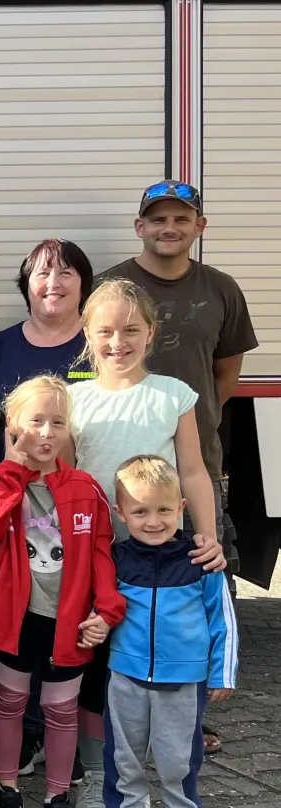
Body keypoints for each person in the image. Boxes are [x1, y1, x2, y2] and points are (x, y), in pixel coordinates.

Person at [65, 278, 225, 808]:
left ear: (151, 333)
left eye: (132, 329)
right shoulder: (75, 399)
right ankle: (95, 775)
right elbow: (61, 478)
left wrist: (208, 535)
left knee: (145, 660)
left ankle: (170, 776)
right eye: (105, 331)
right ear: (86, 335)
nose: (118, 341)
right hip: (93, 556)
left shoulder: (172, 394)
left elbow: (195, 471)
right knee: (96, 666)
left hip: (158, 558)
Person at [0, 376, 124, 808]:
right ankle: (8, 791)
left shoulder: (84, 487)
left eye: (57, 422)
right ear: (14, 425)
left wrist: (107, 610)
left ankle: (58, 799)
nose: (46, 432)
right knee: (10, 704)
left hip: (70, 622)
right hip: (15, 619)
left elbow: (102, 552)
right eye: (35, 420)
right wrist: (13, 468)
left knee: (61, 711)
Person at [103, 182, 257, 585]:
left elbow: (226, 374)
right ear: (140, 227)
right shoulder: (108, 288)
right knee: (115, 589)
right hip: (117, 471)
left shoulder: (221, 289)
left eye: (181, 219)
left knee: (202, 577)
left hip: (197, 466)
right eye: (158, 219)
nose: (168, 228)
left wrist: (188, 416)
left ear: (200, 225)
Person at [105, 454, 238, 808]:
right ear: (121, 513)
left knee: (179, 752)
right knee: (124, 750)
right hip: (125, 673)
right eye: (140, 511)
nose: (154, 521)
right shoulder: (116, 559)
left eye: (164, 509)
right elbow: (101, 607)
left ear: (181, 508)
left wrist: (222, 673)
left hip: (184, 679)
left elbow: (223, 620)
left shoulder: (201, 561)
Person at [0, 239, 95, 497]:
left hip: (77, 508)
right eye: (42, 273)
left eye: (65, 273)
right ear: (26, 285)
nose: (53, 283)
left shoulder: (101, 348)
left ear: (83, 283)